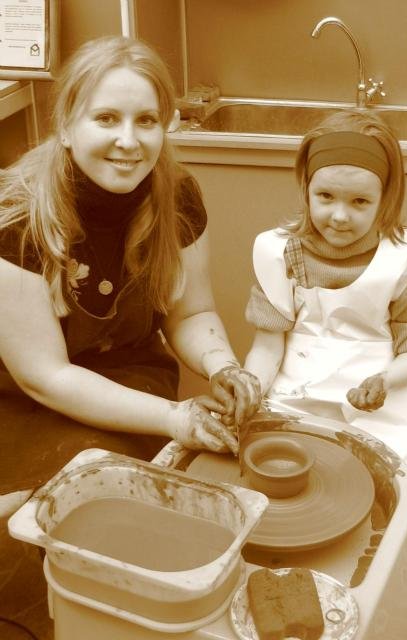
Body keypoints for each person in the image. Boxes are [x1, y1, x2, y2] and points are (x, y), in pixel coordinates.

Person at [0, 35, 261, 498]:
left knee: (125, 490)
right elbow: (45, 376)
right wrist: (175, 418)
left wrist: (222, 366)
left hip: (133, 374)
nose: (128, 141)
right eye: (106, 118)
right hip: (23, 397)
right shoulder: (18, 215)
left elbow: (192, 313)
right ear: (66, 126)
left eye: (146, 120)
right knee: (62, 498)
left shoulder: (177, 196)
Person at [243, 110, 407, 615]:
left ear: (387, 198)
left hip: (381, 390)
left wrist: (386, 380)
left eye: (360, 202)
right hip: (297, 386)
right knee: (276, 480)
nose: (339, 216)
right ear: (305, 188)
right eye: (325, 197)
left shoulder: (404, 264)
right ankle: (301, 581)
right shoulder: (280, 253)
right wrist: (250, 386)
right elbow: (268, 346)